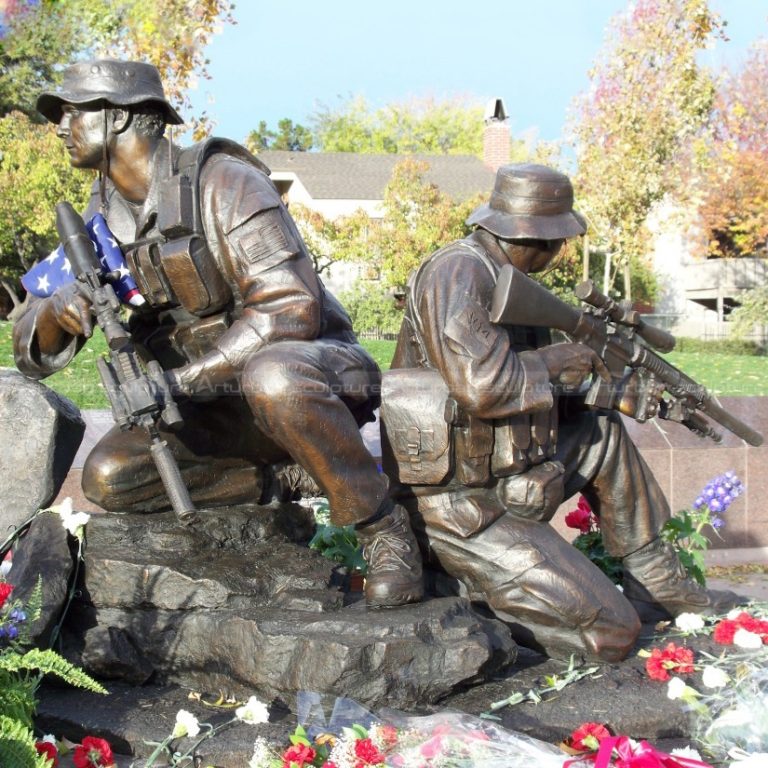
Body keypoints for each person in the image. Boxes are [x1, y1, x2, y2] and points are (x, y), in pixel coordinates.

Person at [13, 58, 423, 609]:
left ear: (118, 118)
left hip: (314, 375)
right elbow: (31, 349)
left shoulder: (226, 183)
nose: (60, 126)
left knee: (274, 376)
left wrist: (178, 381)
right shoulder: (103, 224)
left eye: (72, 112)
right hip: (211, 400)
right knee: (109, 477)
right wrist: (56, 311)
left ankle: (384, 530)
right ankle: (280, 475)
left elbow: (289, 313)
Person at [382, 163, 735, 661]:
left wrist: (618, 395)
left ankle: (656, 578)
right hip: (454, 505)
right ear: (535, 237)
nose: (561, 251)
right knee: (611, 634)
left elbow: (536, 391)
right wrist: (557, 359)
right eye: (559, 240)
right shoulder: (457, 272)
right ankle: (475, 609)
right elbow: (482, 386)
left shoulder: (510, 278)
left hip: (508, 475)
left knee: (601, 434)